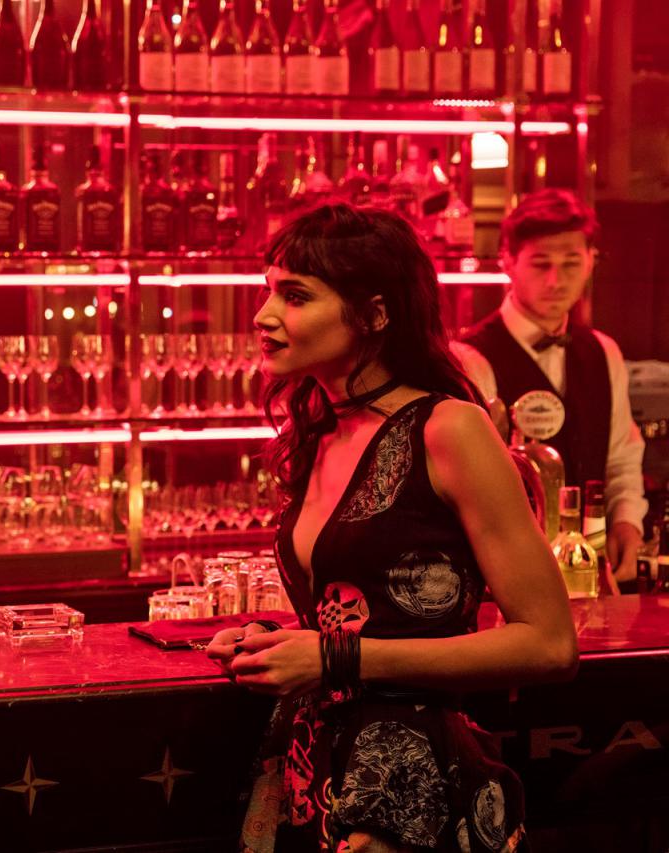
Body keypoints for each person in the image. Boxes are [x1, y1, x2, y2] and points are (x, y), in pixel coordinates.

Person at [207, 205, 577, 852]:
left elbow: (549, 644)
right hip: (316, 769)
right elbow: (369, 611)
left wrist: (334, 657)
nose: (264, 315)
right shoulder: (321, 430)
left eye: (295, 296)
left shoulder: (449, 427)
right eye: (268, 291)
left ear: (375, 314)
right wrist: (275, 642)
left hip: (414, 788)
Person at [453, 189, 647, 584]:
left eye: (571, 263)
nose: (556, 280)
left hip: (590, 568)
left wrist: (628, 521)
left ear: (590, 261)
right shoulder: (470, 358)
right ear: (508, 261)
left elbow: (621, 459)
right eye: (541, 264)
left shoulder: (604, 351)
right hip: (506, 576)